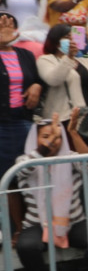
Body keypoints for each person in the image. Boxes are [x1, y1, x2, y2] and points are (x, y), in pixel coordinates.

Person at [12, 114, 88, 271]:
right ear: (35, 138)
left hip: (72, 222)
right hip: (37, 224)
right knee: (26, 246)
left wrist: (73, 133)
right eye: (45, 136)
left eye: (58, 137)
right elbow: (25, 169)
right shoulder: (25, 160)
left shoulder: (69, 157)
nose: (53, 141)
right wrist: (51, 140)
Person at [36, 24, 88, 121]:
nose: (72, 40)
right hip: (63, 119)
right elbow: (53, 80)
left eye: (74, 37)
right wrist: (69, 58)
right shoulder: (45, 60)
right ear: (56, 40)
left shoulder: (85, 61)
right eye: (67, 37)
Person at [0, 12, 42, 178]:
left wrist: (37, 86)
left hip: (23, 120)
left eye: (8, 26)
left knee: (24, 175)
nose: (4, 30)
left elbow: (37, 79)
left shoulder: (26, 55)